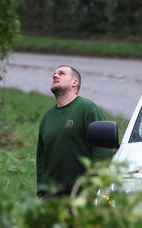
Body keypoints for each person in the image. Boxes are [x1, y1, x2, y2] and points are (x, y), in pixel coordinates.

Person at [36, 65, 113, 198]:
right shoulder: (47, 118)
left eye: (61, 73)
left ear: (74, 82)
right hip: (51, 197)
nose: (55, 76)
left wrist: (93, 188)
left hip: (81, 195)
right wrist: (41, 190)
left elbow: (102, 151)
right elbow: (41, 158)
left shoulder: (87, 109)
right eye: (54, 74)